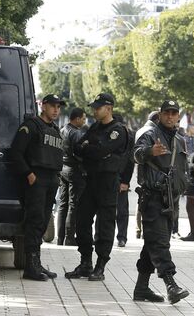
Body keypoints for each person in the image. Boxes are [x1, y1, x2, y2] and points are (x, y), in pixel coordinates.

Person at [65, 93, 128, 281]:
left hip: (108, 182)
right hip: (90, 180)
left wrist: (89, 147)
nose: (94, 111)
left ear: (108, 108)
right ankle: (86, 262)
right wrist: (91, 148)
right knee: (82, 220)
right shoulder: (94, 127)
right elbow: (77, 147)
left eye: (97, 107)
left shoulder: (118, 130)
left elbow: (101, 150)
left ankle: (100, 265)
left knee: (105, 225)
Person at [132, 100, 190, 304]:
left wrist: (184, 184)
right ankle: (170, 284)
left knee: (152, 245)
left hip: (171, 199)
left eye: (174, 113)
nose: (170, 116)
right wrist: (149, 152)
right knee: (160, 243)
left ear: (178, 116)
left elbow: (184, 168)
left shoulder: (180, 140)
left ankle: (141, 288)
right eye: (167, 113)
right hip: (153, 197)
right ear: (160, 114)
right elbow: (136, 154)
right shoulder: (149, 134)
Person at [10, 94, 65, 280]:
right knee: (34, 221)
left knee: (41, 222)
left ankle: (37, 263)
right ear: (43, 106)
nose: (56, 110)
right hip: (37, 178)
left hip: (51, 180)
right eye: (52, 106)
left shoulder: (54, 129)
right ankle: (30, 267)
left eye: (58, 107)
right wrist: (29, 174)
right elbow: (16, 152)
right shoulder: (31, 126)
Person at [57, 107, 87, 246]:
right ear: (77, 118)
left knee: (62, 204)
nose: (85, 121)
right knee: (73, 205)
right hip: (75, 170)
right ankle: (69, 237)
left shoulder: (62, 130)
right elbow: (81, 153)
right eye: (84, 118)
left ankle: (60, 237)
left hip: (63, 168)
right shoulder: (76, 133)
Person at [134, 111, 160, 240]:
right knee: (145, 200)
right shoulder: (150, 131)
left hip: (142, 169)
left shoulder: (141, 130)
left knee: (141, 200)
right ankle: (143, 229)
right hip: (149, 171)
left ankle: (139, 229)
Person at [114, 114, 135, 248]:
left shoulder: (128, 137)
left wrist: (125, 181)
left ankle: (122, 237)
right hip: (106, 178)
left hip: (121, 179)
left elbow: (130, 160)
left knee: (121, 211)